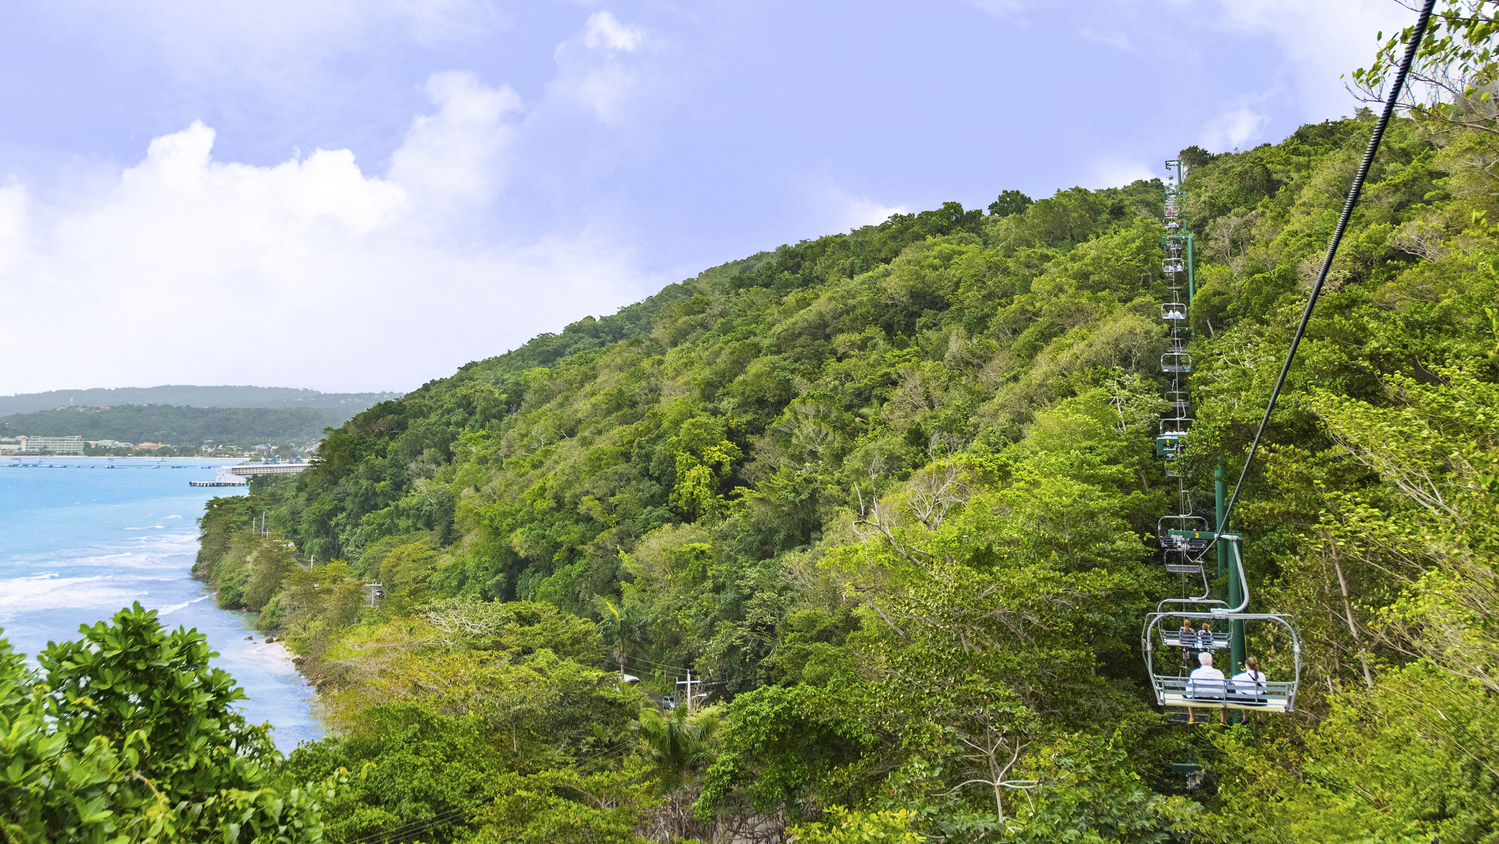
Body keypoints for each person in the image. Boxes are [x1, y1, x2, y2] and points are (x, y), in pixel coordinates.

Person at [1186, 651, 1228, 725]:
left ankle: (1192, 717)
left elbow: (1190, 689)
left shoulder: (1195, 673)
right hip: (1215, 698)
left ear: (1200, 662)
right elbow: (1224, 688)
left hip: (1197, 697)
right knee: (1224, 696)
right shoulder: (1218, 673)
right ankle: (1223, 720)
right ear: (1211, 662)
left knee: (1189, 690)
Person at [1231, 657, 1269, 722]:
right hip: (1260, 702)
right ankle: (1259, 717)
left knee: (1243, 693)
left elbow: (1233, 680)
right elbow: (1264, 690)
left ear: (1247, 665)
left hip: (1246, 701)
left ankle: (1245, 716)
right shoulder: (1262, 675)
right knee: (1259, 694)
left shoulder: (1241, 676)